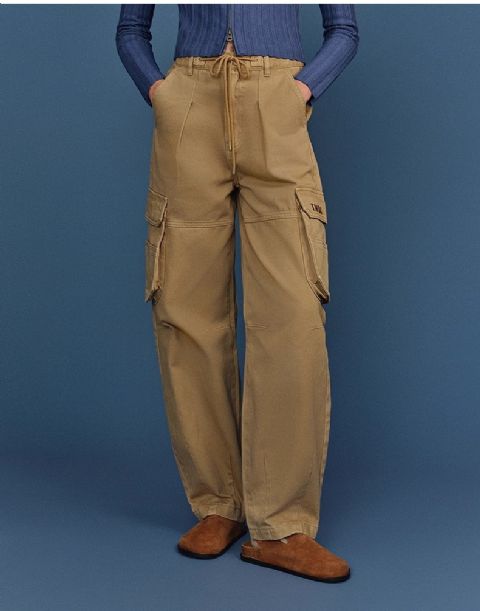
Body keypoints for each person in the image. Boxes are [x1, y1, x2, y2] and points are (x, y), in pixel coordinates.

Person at [116, 4, 359, 583]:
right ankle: (218, 505)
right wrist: (161, 92)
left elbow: (345, 30)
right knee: (187, 313)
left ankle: (283, 525)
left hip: (277, 102)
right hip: (188, 106)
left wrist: (300, 90)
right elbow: (130, 30)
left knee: (292, 318)